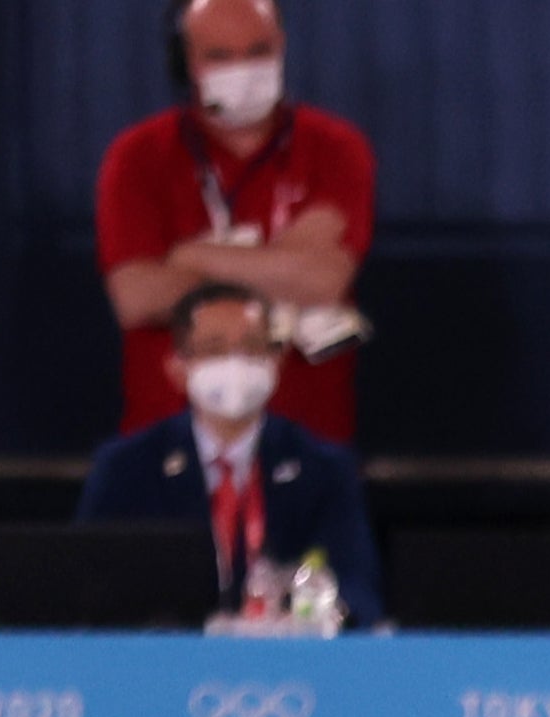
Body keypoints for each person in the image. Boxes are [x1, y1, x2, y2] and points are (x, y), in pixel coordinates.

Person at [97, 0, 371, 444]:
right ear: (185, 64)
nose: (244, 69)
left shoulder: (335, 148)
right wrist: (281, 265)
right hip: (168, 444)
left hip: (310, 443)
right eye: (220, 56)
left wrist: (194, 256)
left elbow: (322, 281)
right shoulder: (137, 157)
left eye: (259, 51)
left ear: (282, 49)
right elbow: (136, 296)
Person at [78, 284, 379, 624]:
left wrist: (316, 614)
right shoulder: (127, 468)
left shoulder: (323, 469)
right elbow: (89, 591)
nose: (236, 362)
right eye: (214, 348)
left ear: (276, 362)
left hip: (285, 663)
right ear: (177, 368)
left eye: (252, 347)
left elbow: (357, 588)